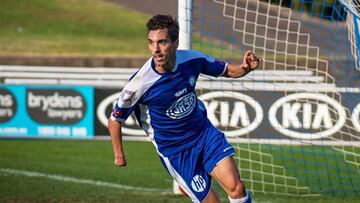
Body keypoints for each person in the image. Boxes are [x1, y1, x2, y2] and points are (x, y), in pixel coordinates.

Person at [108, 14, 260, 203]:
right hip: (176, 152)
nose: (155, 49)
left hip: (204, 135)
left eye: (162, 42)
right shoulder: (139, 84)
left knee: (237, 188)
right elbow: (115, 120)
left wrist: (245, 67)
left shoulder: (192, 59)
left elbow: (227, 70)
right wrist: (119, 155)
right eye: (151, 42)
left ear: (175, 43)